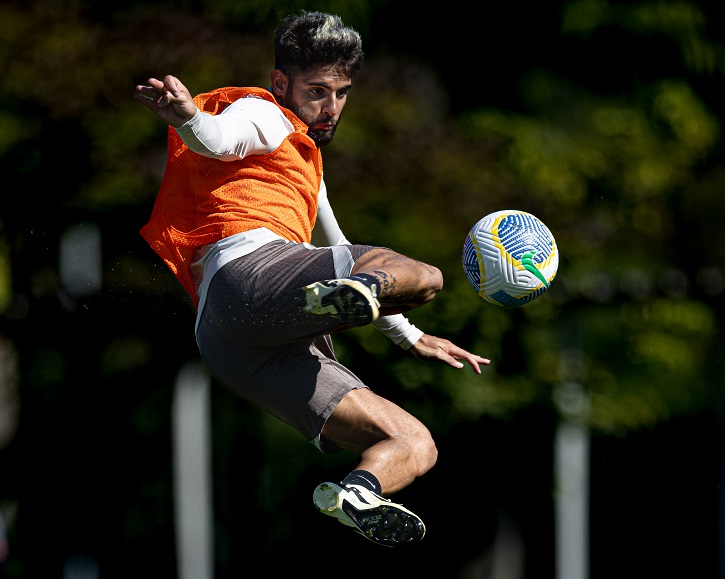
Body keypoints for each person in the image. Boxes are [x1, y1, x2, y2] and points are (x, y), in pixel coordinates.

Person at [134, 10, 489, 548]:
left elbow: (343, 250)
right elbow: (219, 138)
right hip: (247, 277)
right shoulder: (263, 111)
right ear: (282, 83)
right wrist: (187, 117)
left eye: (342, 92)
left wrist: (412, 337)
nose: (331, 107)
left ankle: (358, 493)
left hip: (234, 341)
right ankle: (348, 303)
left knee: (415, 442)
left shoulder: (306, 159)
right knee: (428, 276)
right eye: (317, 90)